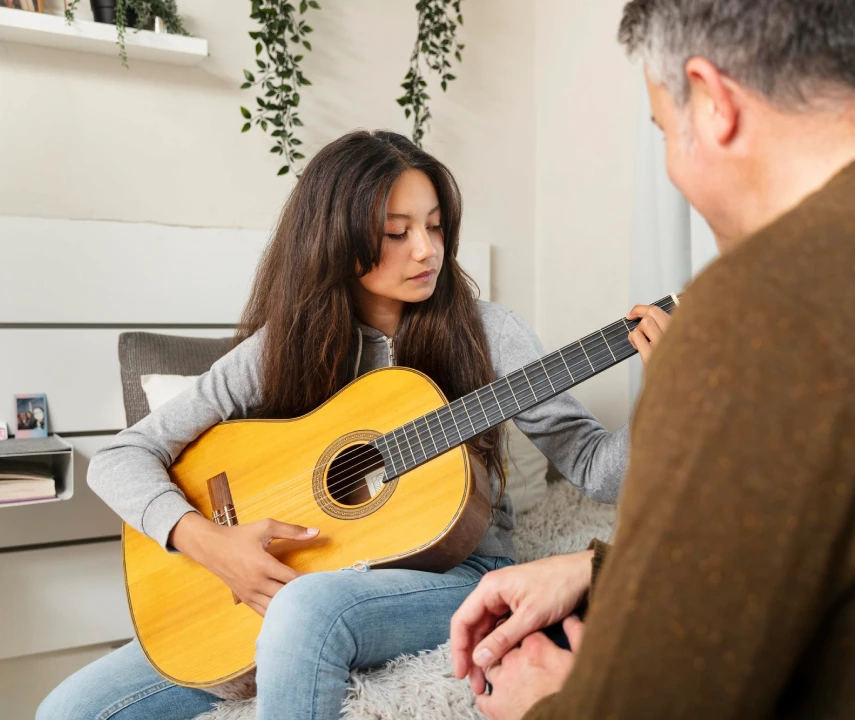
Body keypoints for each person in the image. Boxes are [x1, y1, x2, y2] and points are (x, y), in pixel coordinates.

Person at [450, 1, 855, 718]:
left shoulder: (754, 310)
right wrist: (598, 568)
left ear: (712, 100)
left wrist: (543, 701)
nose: (673, 167)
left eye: (664, 130)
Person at [37, 130, 671, 720]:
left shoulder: (491, 334)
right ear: (336, 241)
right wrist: (210, 544)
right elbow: (123, 455)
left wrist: (668, 394)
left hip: (454, 573)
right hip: (308, 569)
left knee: (305, 611)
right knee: (63, 711)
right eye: (397, 232)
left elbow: (595, 470)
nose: (426, 250)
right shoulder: (285, 343)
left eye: (435, 226)